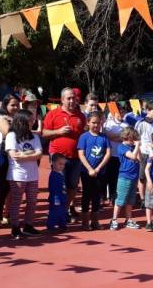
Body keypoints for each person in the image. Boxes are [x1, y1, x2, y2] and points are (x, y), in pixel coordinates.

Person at [42, 87, 86, 220]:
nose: (72, 101)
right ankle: (56, 212)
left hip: (76, 157)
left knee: (73, 186)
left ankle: (64, 210)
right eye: (69, 98)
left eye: (73, 98)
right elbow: (44, 133)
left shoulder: (81, 116)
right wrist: (59, 132)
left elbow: (83, 134)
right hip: (58, 156)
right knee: (59, 186)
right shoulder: (52, 114)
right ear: (62, 100)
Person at [5, 109, 43, 240]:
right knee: (16, 202)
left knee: (32, 201)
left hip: (33, 175)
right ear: (22, 121)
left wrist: (23, 154)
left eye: (33, 120)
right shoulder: (12, 136)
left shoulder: (34, 136)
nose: (33, 123)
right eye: (30, 121)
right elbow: (14, 156)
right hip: (17, 175)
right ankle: (15, 227)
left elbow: (39, 154)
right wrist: (31, 154)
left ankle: (28, 225)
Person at [78, 110, 110, 231]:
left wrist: (98, 168)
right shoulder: (84, 137)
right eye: (93, 122)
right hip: (86, 172)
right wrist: (90, 169)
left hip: (100, 172)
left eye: (98, 123)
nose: (96, 125)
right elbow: (81, 154)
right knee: (86, 196)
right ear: (88, 123)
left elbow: (107, 153)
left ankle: (95, 221)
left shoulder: (104, 137)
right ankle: (85, 222)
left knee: (97, 196)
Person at [0, 94, 20, 225]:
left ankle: (8, 213)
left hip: (16, 154)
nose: (15, 107)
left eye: (17, 105)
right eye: (12, 105)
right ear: (5, 105)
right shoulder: (0, 118)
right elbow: (9, 132)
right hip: (3, 155)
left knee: (13, 186)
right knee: (3, 186)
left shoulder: (18, 117)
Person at [110, 128, 141, 231]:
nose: (134, 140)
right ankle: (114, 220)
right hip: (124, 177)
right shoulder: (122, 147)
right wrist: (137, 146)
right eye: (133, 138)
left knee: (130, 200)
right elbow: (133, 157)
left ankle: (128, 220)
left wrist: (137, 147)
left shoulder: (133, 147)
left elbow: (139, 158)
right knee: (120, 199)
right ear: (127, 137)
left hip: (134, 177)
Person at [103, 97, 125, 206]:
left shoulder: (126, 125)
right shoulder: (108, 123)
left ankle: (114, 197)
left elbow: (126, 138)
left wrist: (115, 137)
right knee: (107, 177)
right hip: (109, 154)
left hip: (120, 155)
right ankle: (104, 197)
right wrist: (119, 137)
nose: (121, 114)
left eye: (122, 112)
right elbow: (107, 135)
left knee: (117, 178)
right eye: (119, 112)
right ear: (114, 113)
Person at [47, 153, 68, 232]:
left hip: (62, 197)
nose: (62, 166)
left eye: (63, 164)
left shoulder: (61, 173)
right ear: (53, 163)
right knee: (54, 212)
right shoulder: (53, 175)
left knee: (62, 212)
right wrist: (56, 198)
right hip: (56, 198)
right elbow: (53, 188)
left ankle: (62, 224)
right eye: (60, 164)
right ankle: (51, 226)